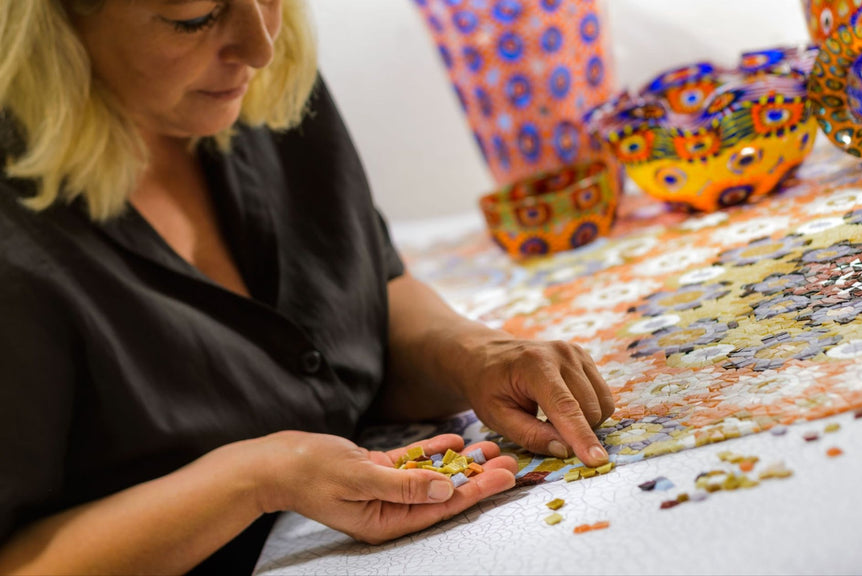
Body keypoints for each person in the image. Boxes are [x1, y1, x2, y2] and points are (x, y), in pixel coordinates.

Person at [0, 0, 614, 573]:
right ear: (51, 25)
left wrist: (470, 352)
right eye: (196, 17)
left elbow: (368, 295)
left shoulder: (257, 76)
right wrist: (256, 480)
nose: (260, 45)